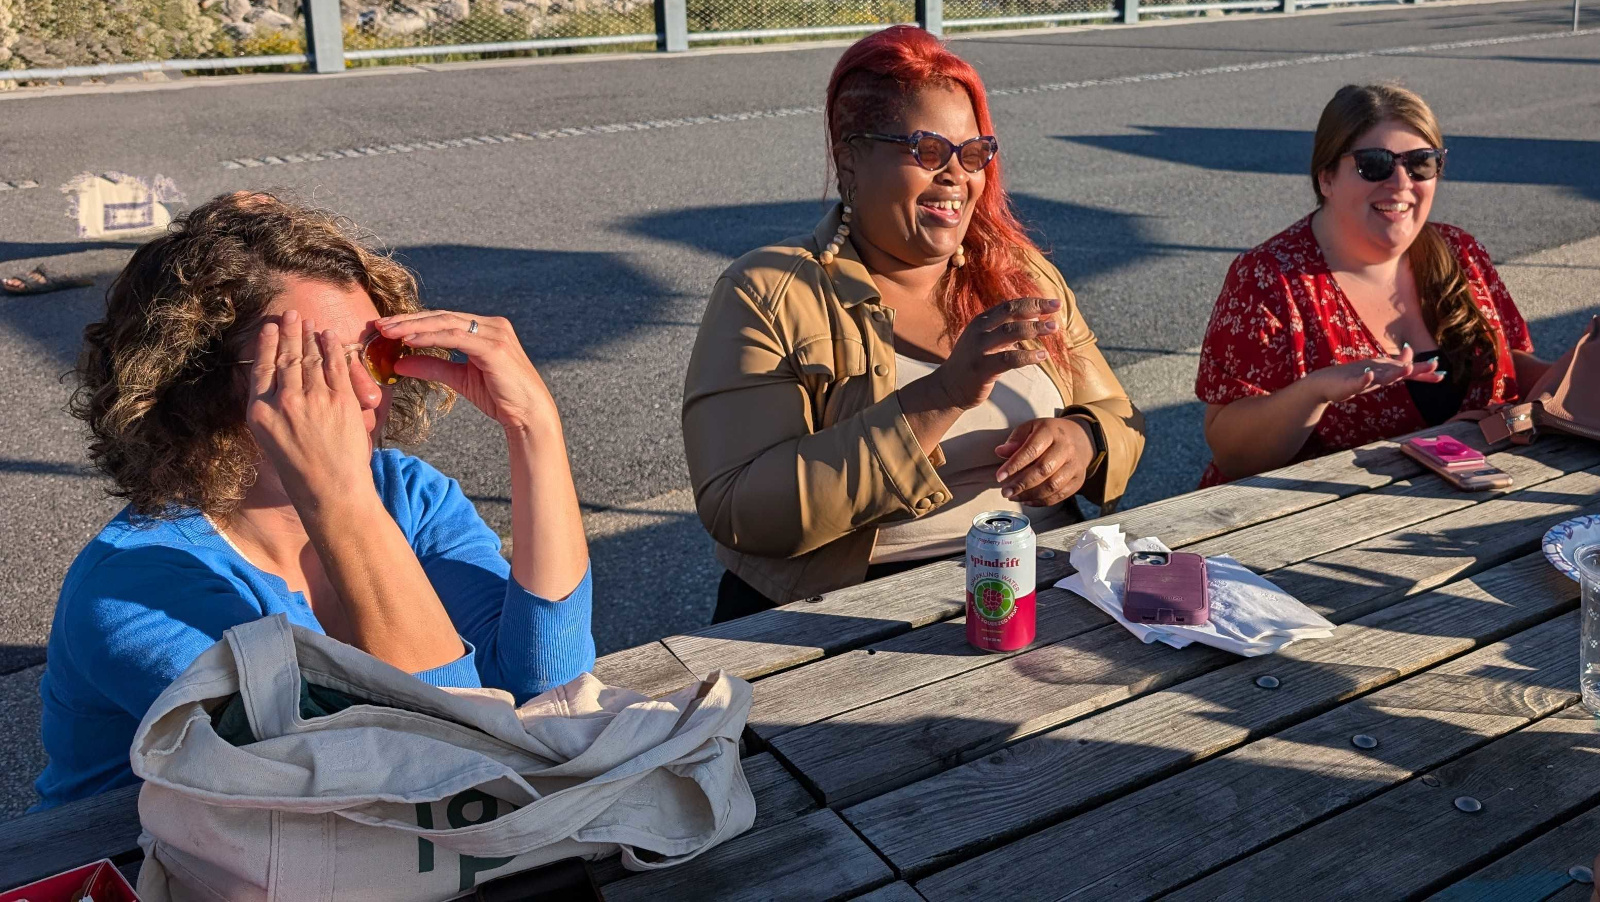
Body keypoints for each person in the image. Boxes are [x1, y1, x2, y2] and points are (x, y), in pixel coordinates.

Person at [35, 192, 594, 809]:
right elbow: (436, 765)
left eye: (376, 356)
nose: (366, 393)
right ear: (197, 384)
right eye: (314, 368)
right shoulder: (132, 591)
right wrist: (337, 496)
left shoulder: (406, 495)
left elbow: (546, 689)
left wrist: (536, 429)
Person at [682, 26, 1145, 621]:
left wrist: (1088, 440)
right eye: (927, 150)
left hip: (1045, 586)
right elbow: (739, 508)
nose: (957, 175)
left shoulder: (1020, 273)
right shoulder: (767, 292)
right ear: (850, 157)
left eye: (974, 153)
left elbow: (1121, 417)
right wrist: (942, 395)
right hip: (859, 616)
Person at [1196, 84, 1548, 485]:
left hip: (1468, 505)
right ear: (1326, 177)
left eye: (1421, 163)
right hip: (1310, 523)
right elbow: (1231, 452)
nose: (1400, 182)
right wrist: (1314, 393)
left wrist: (1578, 369)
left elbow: (1508, 365)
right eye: (1375, 163)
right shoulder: (1267, 278)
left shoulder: (1461, 252)